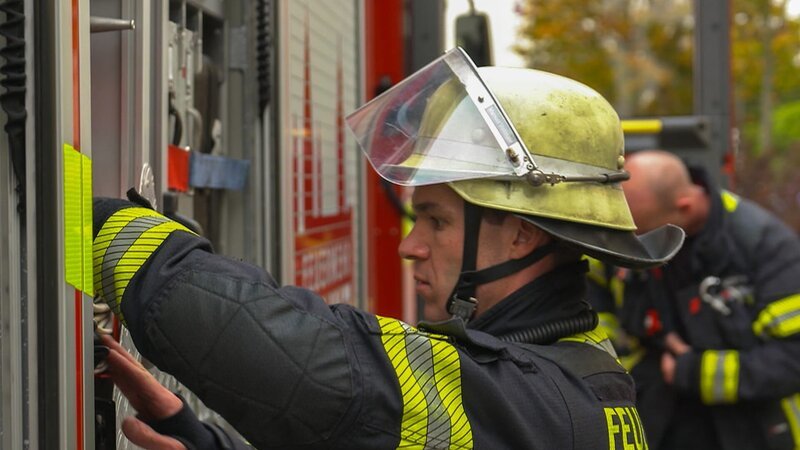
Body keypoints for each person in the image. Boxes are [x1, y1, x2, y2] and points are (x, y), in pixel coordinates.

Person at [93, 49, 684, 449]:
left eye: (435, 221)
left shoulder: (537, 401)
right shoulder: (571, 373)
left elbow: (308, 363)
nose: (409, 246)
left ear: (522, 231)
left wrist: (99, 230)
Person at [587, 149, 800, 449]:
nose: (632, 247)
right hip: (656, 418)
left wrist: (696, 371)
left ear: (684, 208)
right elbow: (594, 299)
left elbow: (792, 360)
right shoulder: (632, 233)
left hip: (748, 429)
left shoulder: (766, 248)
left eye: (644, 233)